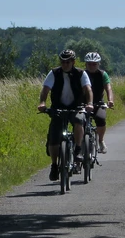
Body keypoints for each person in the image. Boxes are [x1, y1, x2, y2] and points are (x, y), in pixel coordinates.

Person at [38, 49, 94, 182]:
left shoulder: (81, 73)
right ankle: (54, 165)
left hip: (76, 106)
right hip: (58, 107)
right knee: (54, 137)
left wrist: (90, 103)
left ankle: (78, 149)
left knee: (79, 120)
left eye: (68, 62)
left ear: (73, 62)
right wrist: (42, 102)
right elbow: (45, 89)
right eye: (62, 62)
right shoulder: (54, 73)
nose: (65, 64)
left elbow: (88, 89)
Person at [83, 52, 115, 154]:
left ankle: (100, 140)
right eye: (89, 64)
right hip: (83, 103)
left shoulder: (102, 74)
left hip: (98, 103)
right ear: (86, 64)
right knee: (79, 123)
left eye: (94, 64)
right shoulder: (82, 74)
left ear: (98, 64)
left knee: (101, 119)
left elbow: (108, 88)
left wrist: (110, 100)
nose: (92, 66)